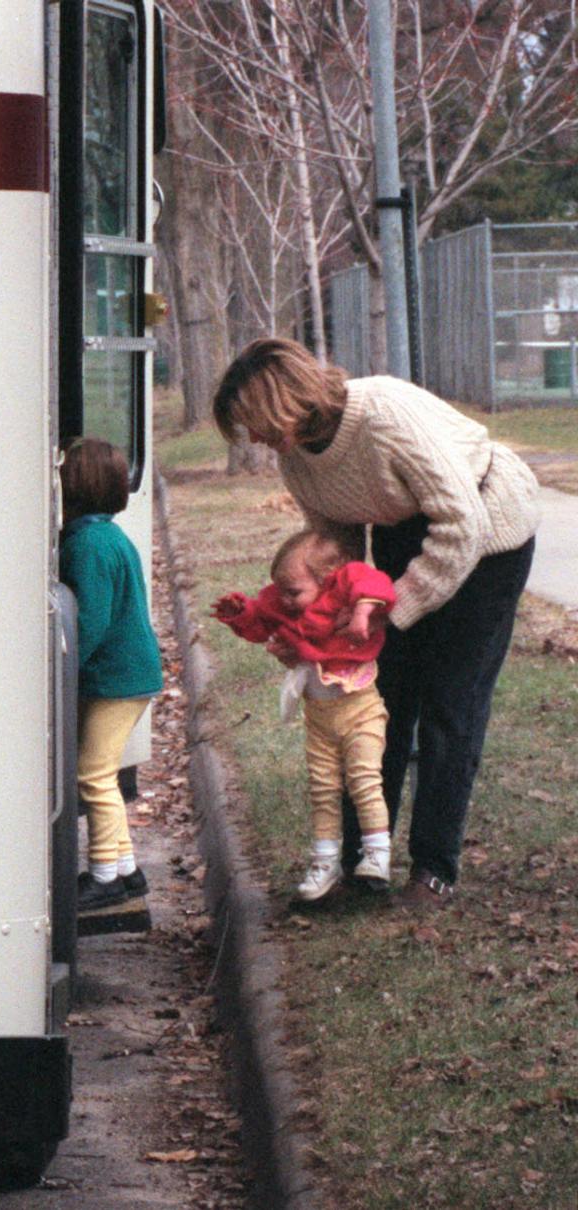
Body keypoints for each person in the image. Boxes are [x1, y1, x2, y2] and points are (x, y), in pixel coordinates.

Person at [213, 338, 540, 908]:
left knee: (450, 703)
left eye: (256, 424)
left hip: (488, 527)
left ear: (284, 402)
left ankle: (433, 870)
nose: (256, 442)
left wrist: (394, 610)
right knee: (376, 699)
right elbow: (334, 555)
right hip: (403, 525)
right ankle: (363, 865)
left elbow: (460, 523)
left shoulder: (383, 415)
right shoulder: (298, 460)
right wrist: (318, 631)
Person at [212, 530, 396, 901]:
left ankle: (377, 855)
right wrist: (241, 613)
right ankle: (325, 863)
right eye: (280, 590)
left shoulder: (345, 588)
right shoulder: (284, 603)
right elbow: (261, 619)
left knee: (363, 780)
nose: (285, 599)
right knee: (323, 789)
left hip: (361, 711)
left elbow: (375, 583)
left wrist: (362, 612)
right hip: (319, 719)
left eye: (293, 591)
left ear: (328, 579)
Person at [59, 438, 164, 932]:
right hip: (130, 675)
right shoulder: (109, 536)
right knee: (102, 770)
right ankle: (125, 871)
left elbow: (91, 620)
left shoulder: (87, 545)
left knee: (93, 775)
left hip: (116, 678)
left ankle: (103, 876)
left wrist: (63, 664)